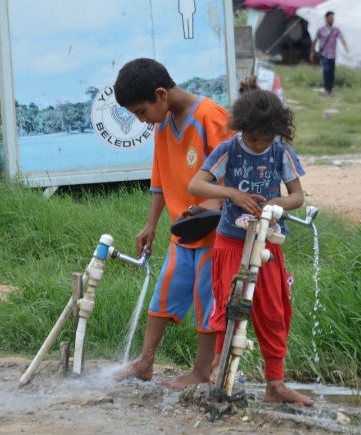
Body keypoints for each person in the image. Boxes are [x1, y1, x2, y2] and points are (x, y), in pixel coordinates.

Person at [187, 86, 315, 406]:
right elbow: (196, 184)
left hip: (267, 243)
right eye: (254, 139)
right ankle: (219, 369)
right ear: (242, 130)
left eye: (266, 139)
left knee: (273, 311)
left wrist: (278, 203)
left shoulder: (280, 151)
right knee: (229, 306)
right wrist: (231, 193)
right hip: (231, 240)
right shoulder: (229, 149)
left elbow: (298, 196)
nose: (260, 145)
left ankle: (276, 384)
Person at [112, 58, 235, 389]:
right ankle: (145, 362)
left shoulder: (211, 117)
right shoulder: (162, 124)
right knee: (164, 292)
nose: (141, 120)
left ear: (161, 94)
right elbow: (160, 178)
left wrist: (211, 207)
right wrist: (150, 224)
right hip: (183, 230)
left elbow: (234, 173)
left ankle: (201, 371)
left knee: (207, 300)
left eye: (140, 112)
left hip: (216, 232)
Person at [309, 11, 349, 97]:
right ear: (326, 18)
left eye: (333, 18)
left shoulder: (336, 30)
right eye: (331, 17)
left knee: (331, 73)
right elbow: (315, 40)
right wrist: (312, 51)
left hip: (332, 55)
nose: (332, 19)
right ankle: (326, 89)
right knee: (325, 71)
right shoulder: (321, 30)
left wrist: (345, 46)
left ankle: (329, 90)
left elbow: (341, 38)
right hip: (324, 54)